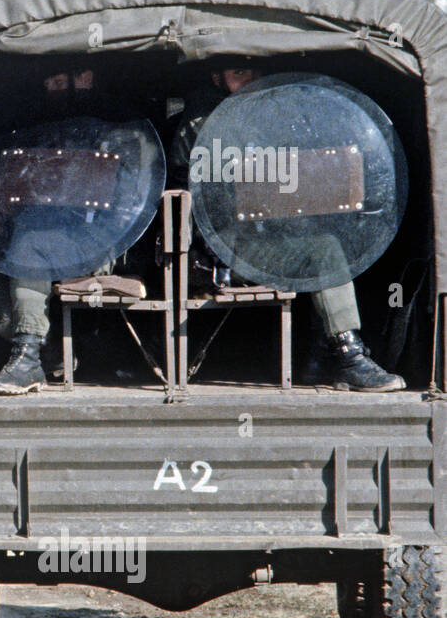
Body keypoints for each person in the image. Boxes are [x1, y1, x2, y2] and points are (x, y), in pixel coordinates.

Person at [170, 66, 404, 392]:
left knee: (329, 238)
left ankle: (318, 358)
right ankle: (348, 357)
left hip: (275, 234)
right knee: (324, 251)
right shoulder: (203, 125)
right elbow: (200, 196)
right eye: (238, 73)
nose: (250, 80)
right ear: (216, 78)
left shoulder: (279, 115)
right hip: (230, 246)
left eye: (254, 71)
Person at [0, 68, 135, 394]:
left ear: (86, 77)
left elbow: (130, 203)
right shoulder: (44, 133)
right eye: (48, 85)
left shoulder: (120, 129)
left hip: (102, 241)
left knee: (29, 248)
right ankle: (55, 352)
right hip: (50, 240)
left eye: (60, 82)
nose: (53, 91)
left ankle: (27, 361)